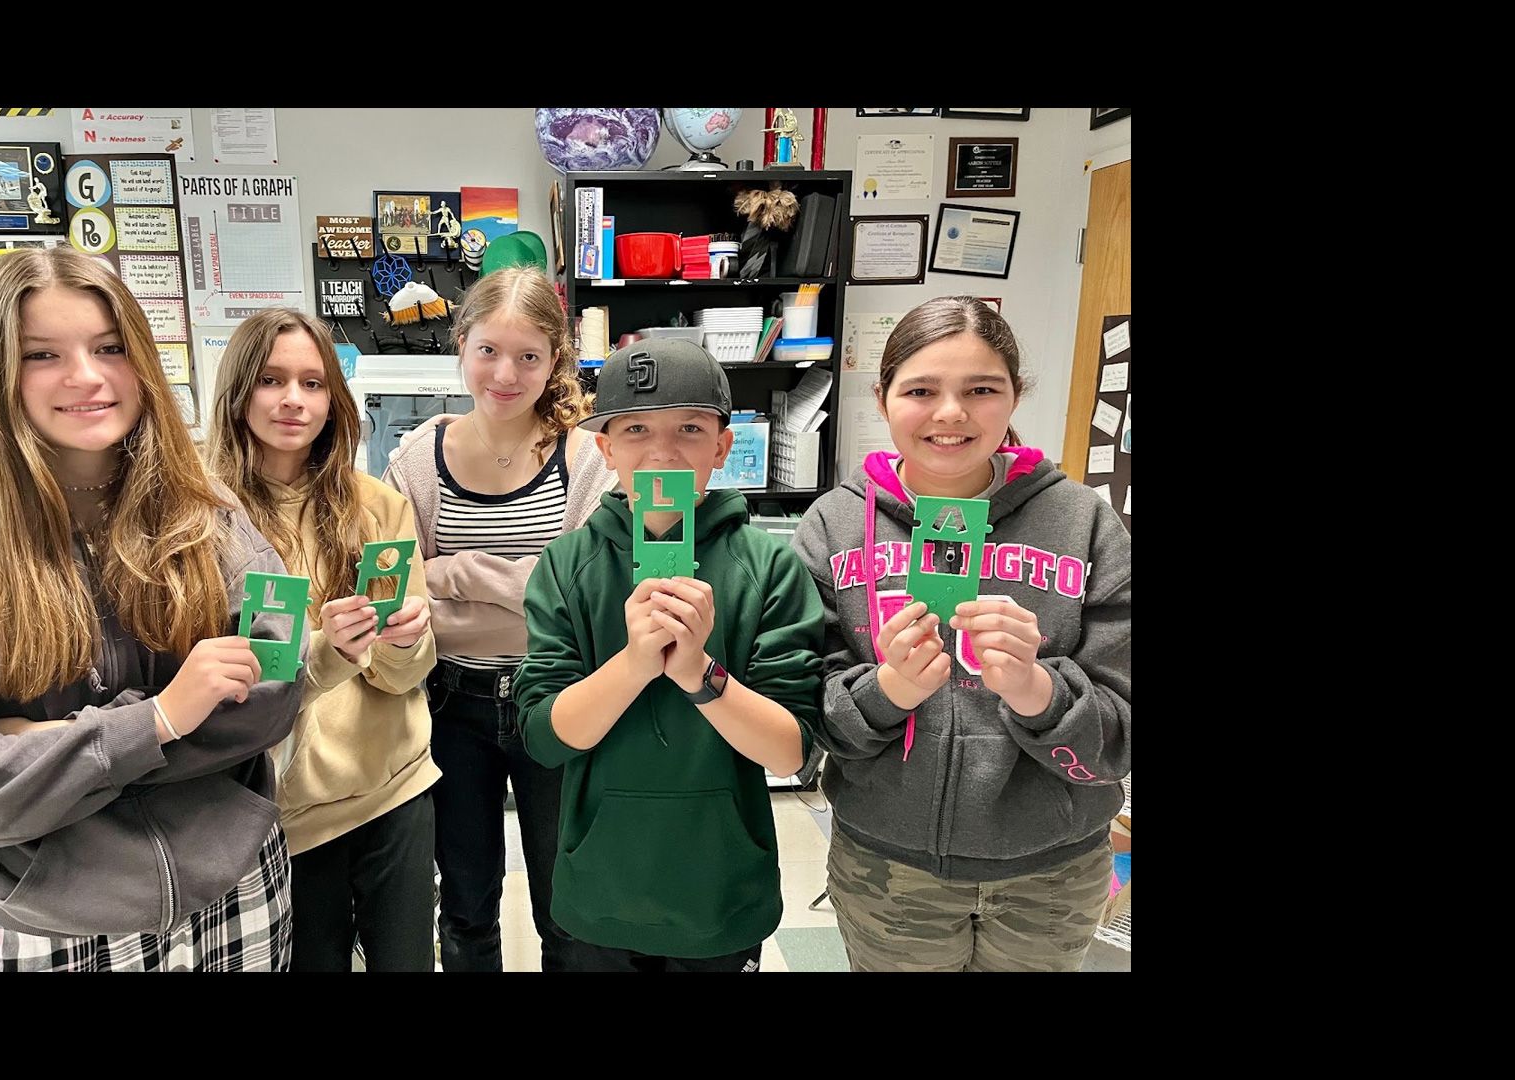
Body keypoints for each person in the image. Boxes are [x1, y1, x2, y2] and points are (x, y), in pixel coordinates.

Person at [0, 247, 303, 971]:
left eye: (109, 348)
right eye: (41, 354)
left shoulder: (210, 517)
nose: (87, 377)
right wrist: (155, 719)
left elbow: (275, 689)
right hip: (53, 921)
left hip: (237, 892)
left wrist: (51, 742)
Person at [790, 295, 1131, 971]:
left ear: (1014, 398)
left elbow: (1122, 732)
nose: (951, 414)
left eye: (981, 389)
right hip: (889, 867)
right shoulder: (833, 526)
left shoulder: (1084, 522)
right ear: (884, 397)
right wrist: (887, 691)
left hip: (1052, 871)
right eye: (921, 390)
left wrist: (1039, 692)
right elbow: (804, 714)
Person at [513, 338, 824, 972]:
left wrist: (697, 674)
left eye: (689, 428)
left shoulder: (768, 567)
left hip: (719, 890)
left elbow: (791, 750)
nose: (662, 451)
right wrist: (633, 665)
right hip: (599, 885)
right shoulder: (568, 566)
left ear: (722, 445)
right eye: (635, 429)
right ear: (605, 448)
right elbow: (544, 739)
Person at [383, 267, 617, 972]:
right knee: (464, 907)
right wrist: (519, 588)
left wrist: (452, 572)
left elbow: (581, 598)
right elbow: (397, 590)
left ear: (556, 362)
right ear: (461, 345)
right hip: (450, 703)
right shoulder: (419, 458)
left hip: (559, 698)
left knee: (567, 908)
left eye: (528, 356)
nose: (506, 374)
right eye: (488, 350)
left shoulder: (586, 459)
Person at [205, 308, 440, 972]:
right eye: (272, 380)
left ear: (334, 400)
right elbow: (250, 688)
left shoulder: (377, 507)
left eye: (312, 383)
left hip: (394, 787)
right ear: (237, 392)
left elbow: (402, 675)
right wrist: (325, 651)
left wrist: (403, 638)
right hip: (283, 813)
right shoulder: (203, 519)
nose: (293, 401)